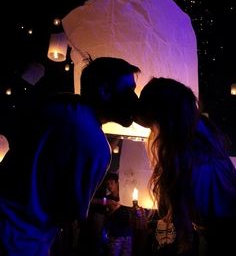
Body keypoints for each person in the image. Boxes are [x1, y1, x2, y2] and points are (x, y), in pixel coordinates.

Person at [0, 56, 140, 256]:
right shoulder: (97, 146)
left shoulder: (56, 103)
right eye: (128, 91)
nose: (134, 100)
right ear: (104, 90)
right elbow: (70, 213)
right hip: (22, 242)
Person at [135, 77, 236, 256]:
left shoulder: (187, 156)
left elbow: (186, 230)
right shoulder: (203, 137)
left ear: (164, 121)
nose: (153, 133)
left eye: (154, 126)